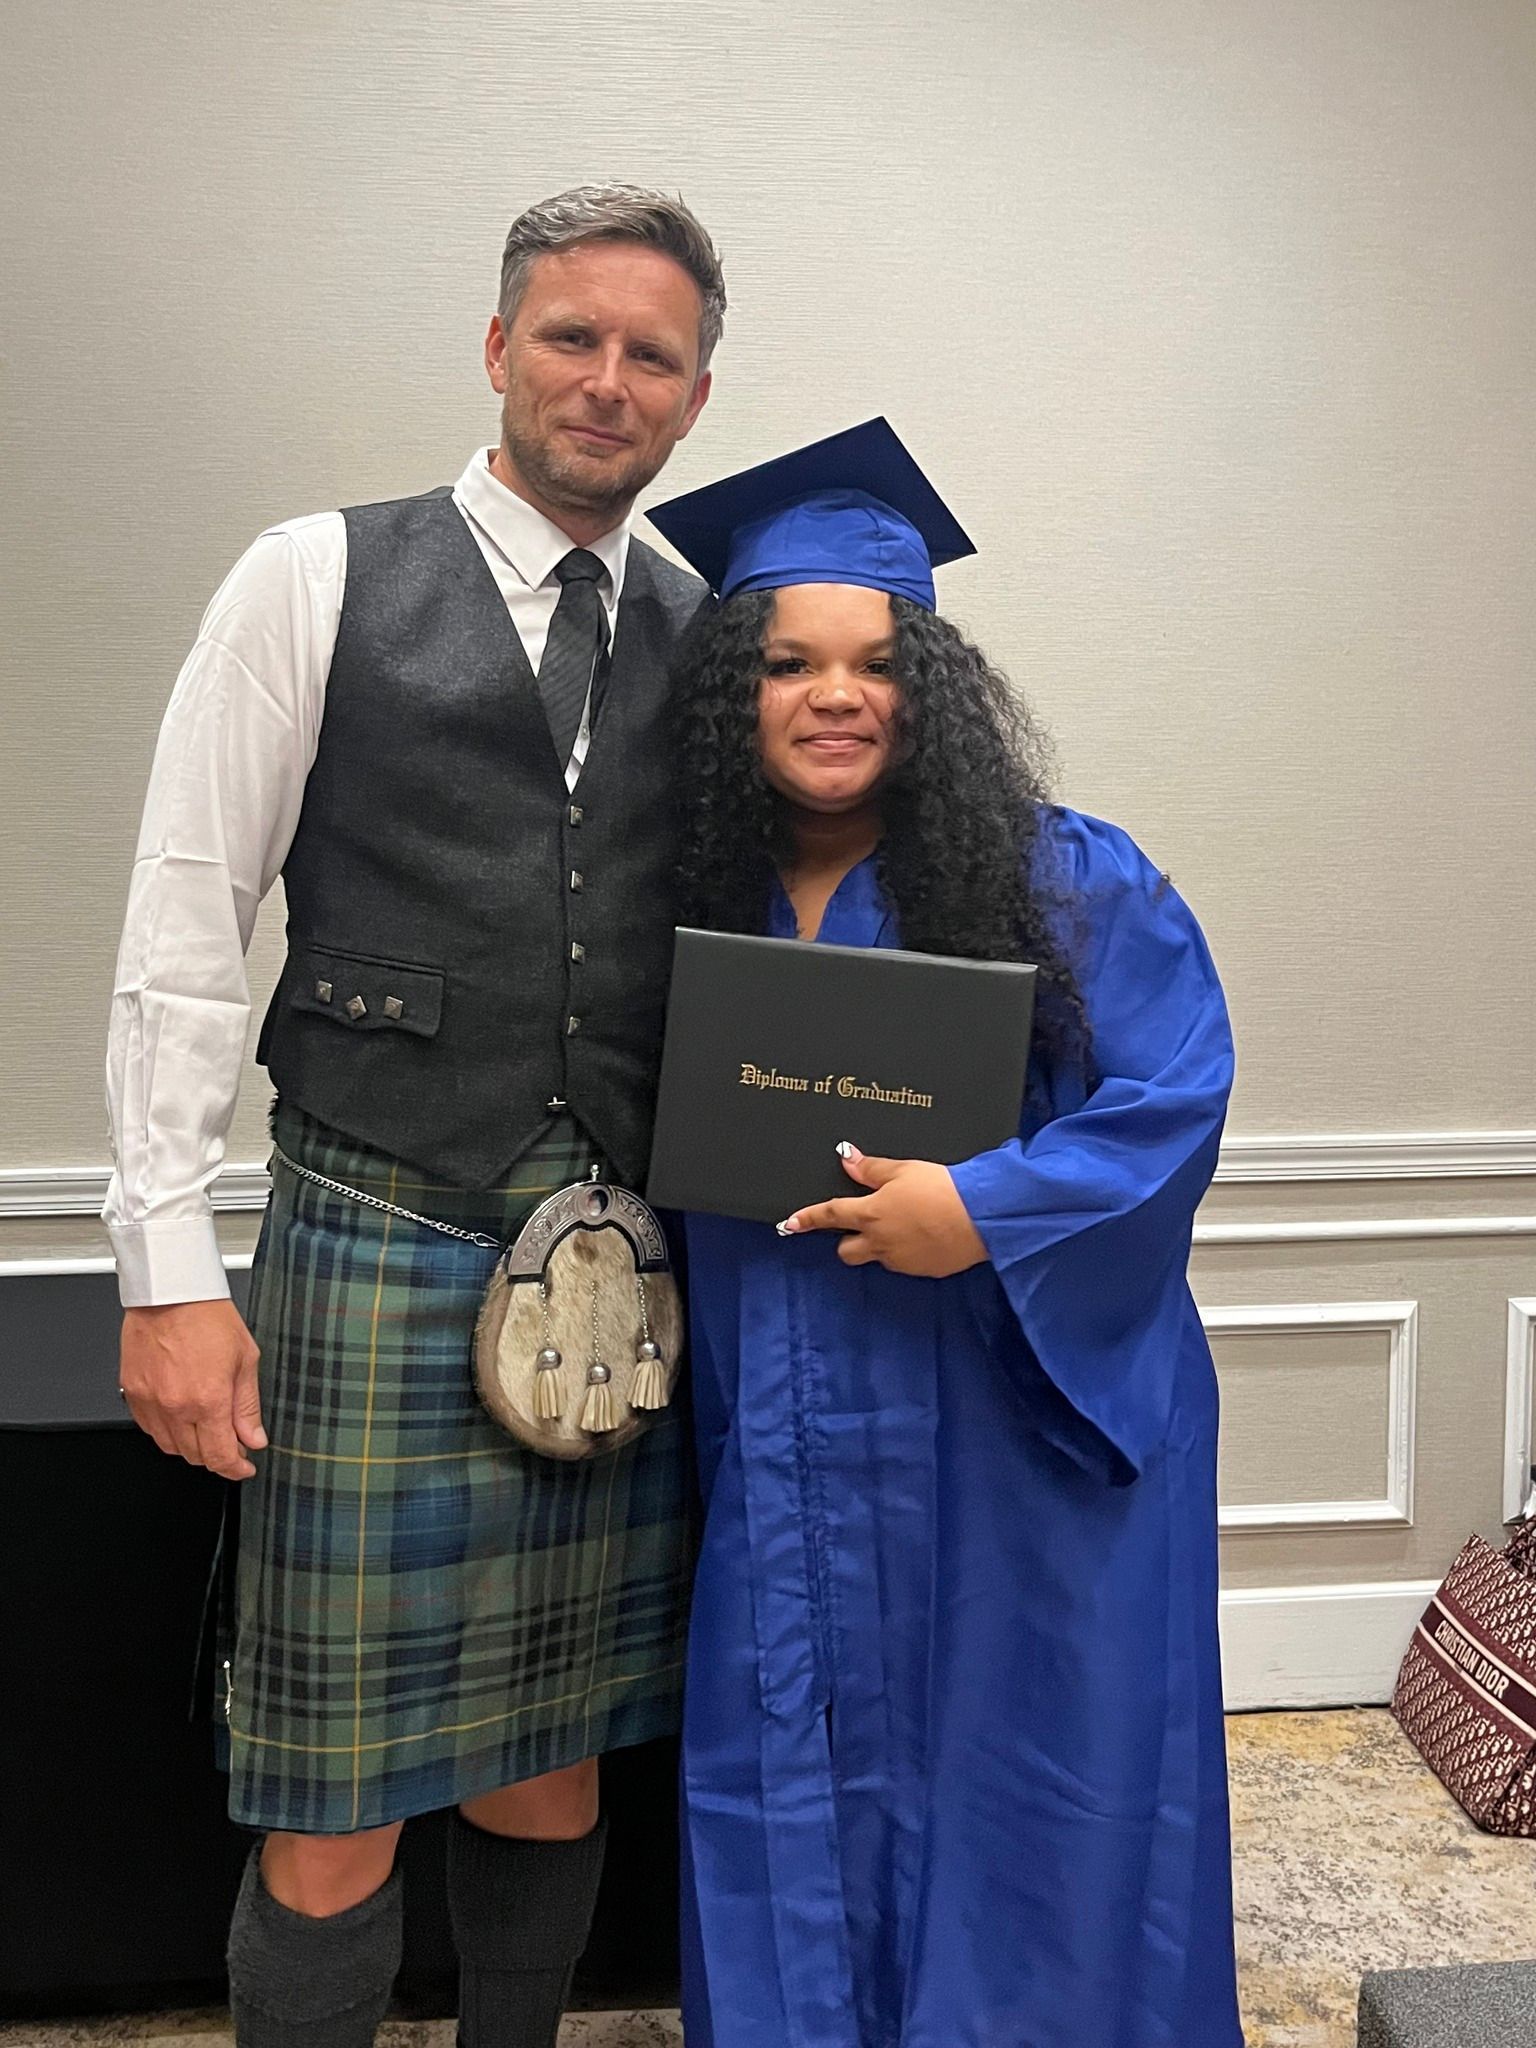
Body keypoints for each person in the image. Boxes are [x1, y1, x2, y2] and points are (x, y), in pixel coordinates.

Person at [102, 184, 723, 2048]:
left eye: (653, 356)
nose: (606, 381)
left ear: (698, 396)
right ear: (498, 347)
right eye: (571, 337)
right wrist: (166, 1274)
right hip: (375, 1235)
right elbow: (182, 930)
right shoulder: (312, 574)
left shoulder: (708, 628)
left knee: (550, 1760)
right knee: (331, 1798)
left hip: (622, 1273)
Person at [648, 420, 1244, 2047]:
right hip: (786, 1424)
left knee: (1029, 1793)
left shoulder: (1069, 883)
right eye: (785, 664)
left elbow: (1174, 1102)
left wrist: (979, 1206)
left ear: (933, 684)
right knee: (788, 1767)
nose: (835, 696)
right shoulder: (700, 904)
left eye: (875, 661)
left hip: (1013, 1441)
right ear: (731, 695)